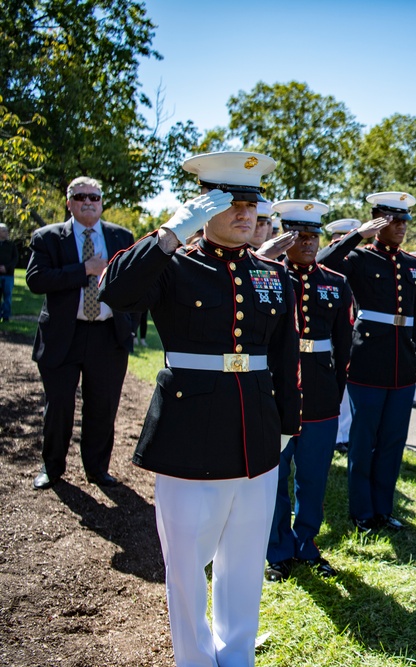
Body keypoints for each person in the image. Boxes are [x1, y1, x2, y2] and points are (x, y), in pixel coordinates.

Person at [99, 151, 301, 667]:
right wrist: (170, 232)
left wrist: (286, 426)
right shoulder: (172, 265)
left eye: (251, 205)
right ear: (202, 208)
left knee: (245, 561)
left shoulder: (274, 276)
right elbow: (116, 292)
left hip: (257, 433)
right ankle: (193, 657)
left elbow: (283, 356)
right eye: (231, 204)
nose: (245, 214)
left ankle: (236, 656)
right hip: (188, 434)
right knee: (187, 563)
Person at [316, 192, 416, 533]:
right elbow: (323, 261)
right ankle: (362, 512)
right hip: (367, 359)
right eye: (394, 220)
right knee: (364, 443)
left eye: (405, 220)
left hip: (402, 363)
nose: (401, 227)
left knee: (393, 442)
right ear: (377, 220)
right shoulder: (360, 258)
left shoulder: (412, 263)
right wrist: (356, 236)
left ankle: (383, 508)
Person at [25, 176, 135, 490]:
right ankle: (53, 468)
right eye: (80, 196)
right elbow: (36, 280)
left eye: (94, 197)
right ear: (69, 202)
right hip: (63, 335)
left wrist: (130, 321)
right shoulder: (48, 238)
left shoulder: (121, 236)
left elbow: (135, 281)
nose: (88, 202)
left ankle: (97, 469)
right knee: (58, 406)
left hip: (107, 336)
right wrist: (84, 269)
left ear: (101, 202)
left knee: (102, 407)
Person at [265, 199, 352, 582]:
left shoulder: (335, 282)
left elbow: (344, 345)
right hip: (275, 387)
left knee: (314, 475)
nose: (308, 243)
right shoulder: (266, 276)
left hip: (319, 389)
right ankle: (278, 549)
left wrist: (335, 390)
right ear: (285, 237)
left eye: (313, 236)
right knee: (276, 475)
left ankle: (306, 542)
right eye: (300, 236)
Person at [323, 218, 362, 454]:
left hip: (351, 333)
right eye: (340, 238)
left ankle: (343, 434)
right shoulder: (328, 263)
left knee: (346, 387)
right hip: (327, 335)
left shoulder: (356, 264)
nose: (344, 242)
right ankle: (334, 433)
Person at [0, 223, 17, 322]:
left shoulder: (11, 245)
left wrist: (6, 267)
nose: (6, 233)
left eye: (6, 231)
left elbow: (15, 259)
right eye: (4, 231)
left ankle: (6, 316)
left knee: (7, 296)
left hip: (8, 275)